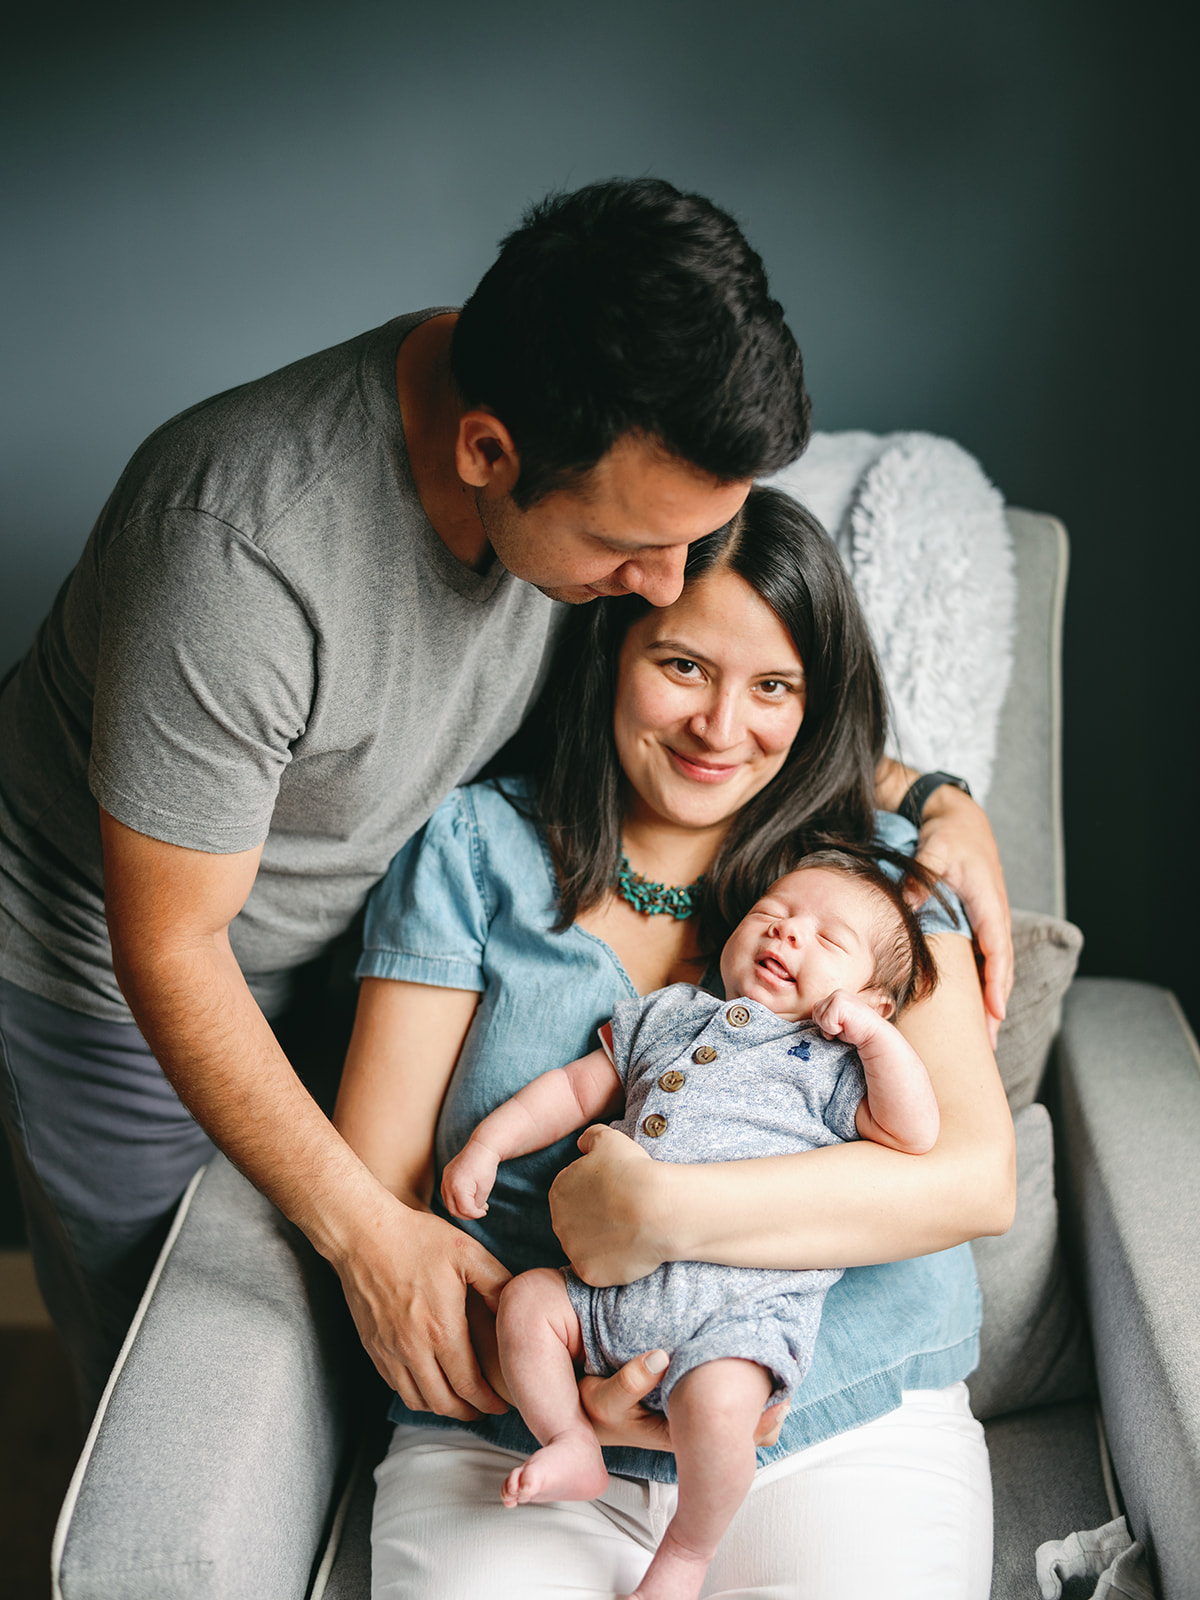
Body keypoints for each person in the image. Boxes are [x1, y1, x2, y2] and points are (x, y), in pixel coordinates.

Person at [0, 178, 813, 1416]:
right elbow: (168, 939)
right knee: (175, 1364)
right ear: (485, 450)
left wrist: (933, 796)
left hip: (357, 913)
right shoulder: (238, 549)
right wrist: (367, 1237)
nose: (664, 590)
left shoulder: (569, 404)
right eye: (629, 551)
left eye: (694, 543)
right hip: (113, 960)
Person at [335, 486, 1015, 1599]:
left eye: (775, 687)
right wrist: (557, 1377)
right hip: (519, 1430)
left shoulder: (878, 879)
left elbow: (975, 1178)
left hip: (838, 1410)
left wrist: (656, 1218)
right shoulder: (473, 850)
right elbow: (380, 1208)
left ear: (815, 701)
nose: (721, 728)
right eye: (684, 666)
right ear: (610, 646)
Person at [441, 851, 945, 1600]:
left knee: (718, 1412)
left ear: (872, 998)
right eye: (772, 916)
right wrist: (488, 1143)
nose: (789, 934)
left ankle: (685, 1553)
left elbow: (915, 1135)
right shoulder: (668, 1012)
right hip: (603, 1296)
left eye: (827, 939)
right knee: (527, 1306)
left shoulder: (838, 1064)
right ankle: (572, 1441)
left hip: (736, 1315)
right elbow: (576, 1087)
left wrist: (875, 1041)